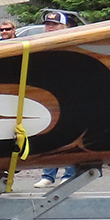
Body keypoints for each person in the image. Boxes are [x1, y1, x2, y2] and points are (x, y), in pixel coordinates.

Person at [34, 10, 78, 188]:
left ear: (64, 26)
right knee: (49, 135)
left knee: (70, 135)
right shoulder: (41, 43)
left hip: (70, 94)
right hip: (49, 95)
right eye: (48, 24)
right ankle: (48, 175)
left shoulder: (73, 41)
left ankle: (69, 174)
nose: (50, 27)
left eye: (54, 24)